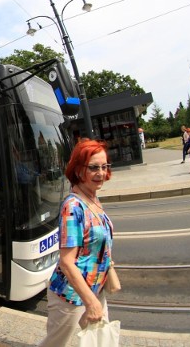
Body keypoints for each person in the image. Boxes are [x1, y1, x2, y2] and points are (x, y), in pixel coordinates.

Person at [39, 139, 115, 347]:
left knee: (102, 342)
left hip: (94, 290)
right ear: (79, 170)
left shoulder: (93, 199)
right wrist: (90, 302)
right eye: (93, 167)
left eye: (104, 166)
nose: (100, 172)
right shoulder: (73, 207)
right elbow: (66, 262)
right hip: (70, 297)